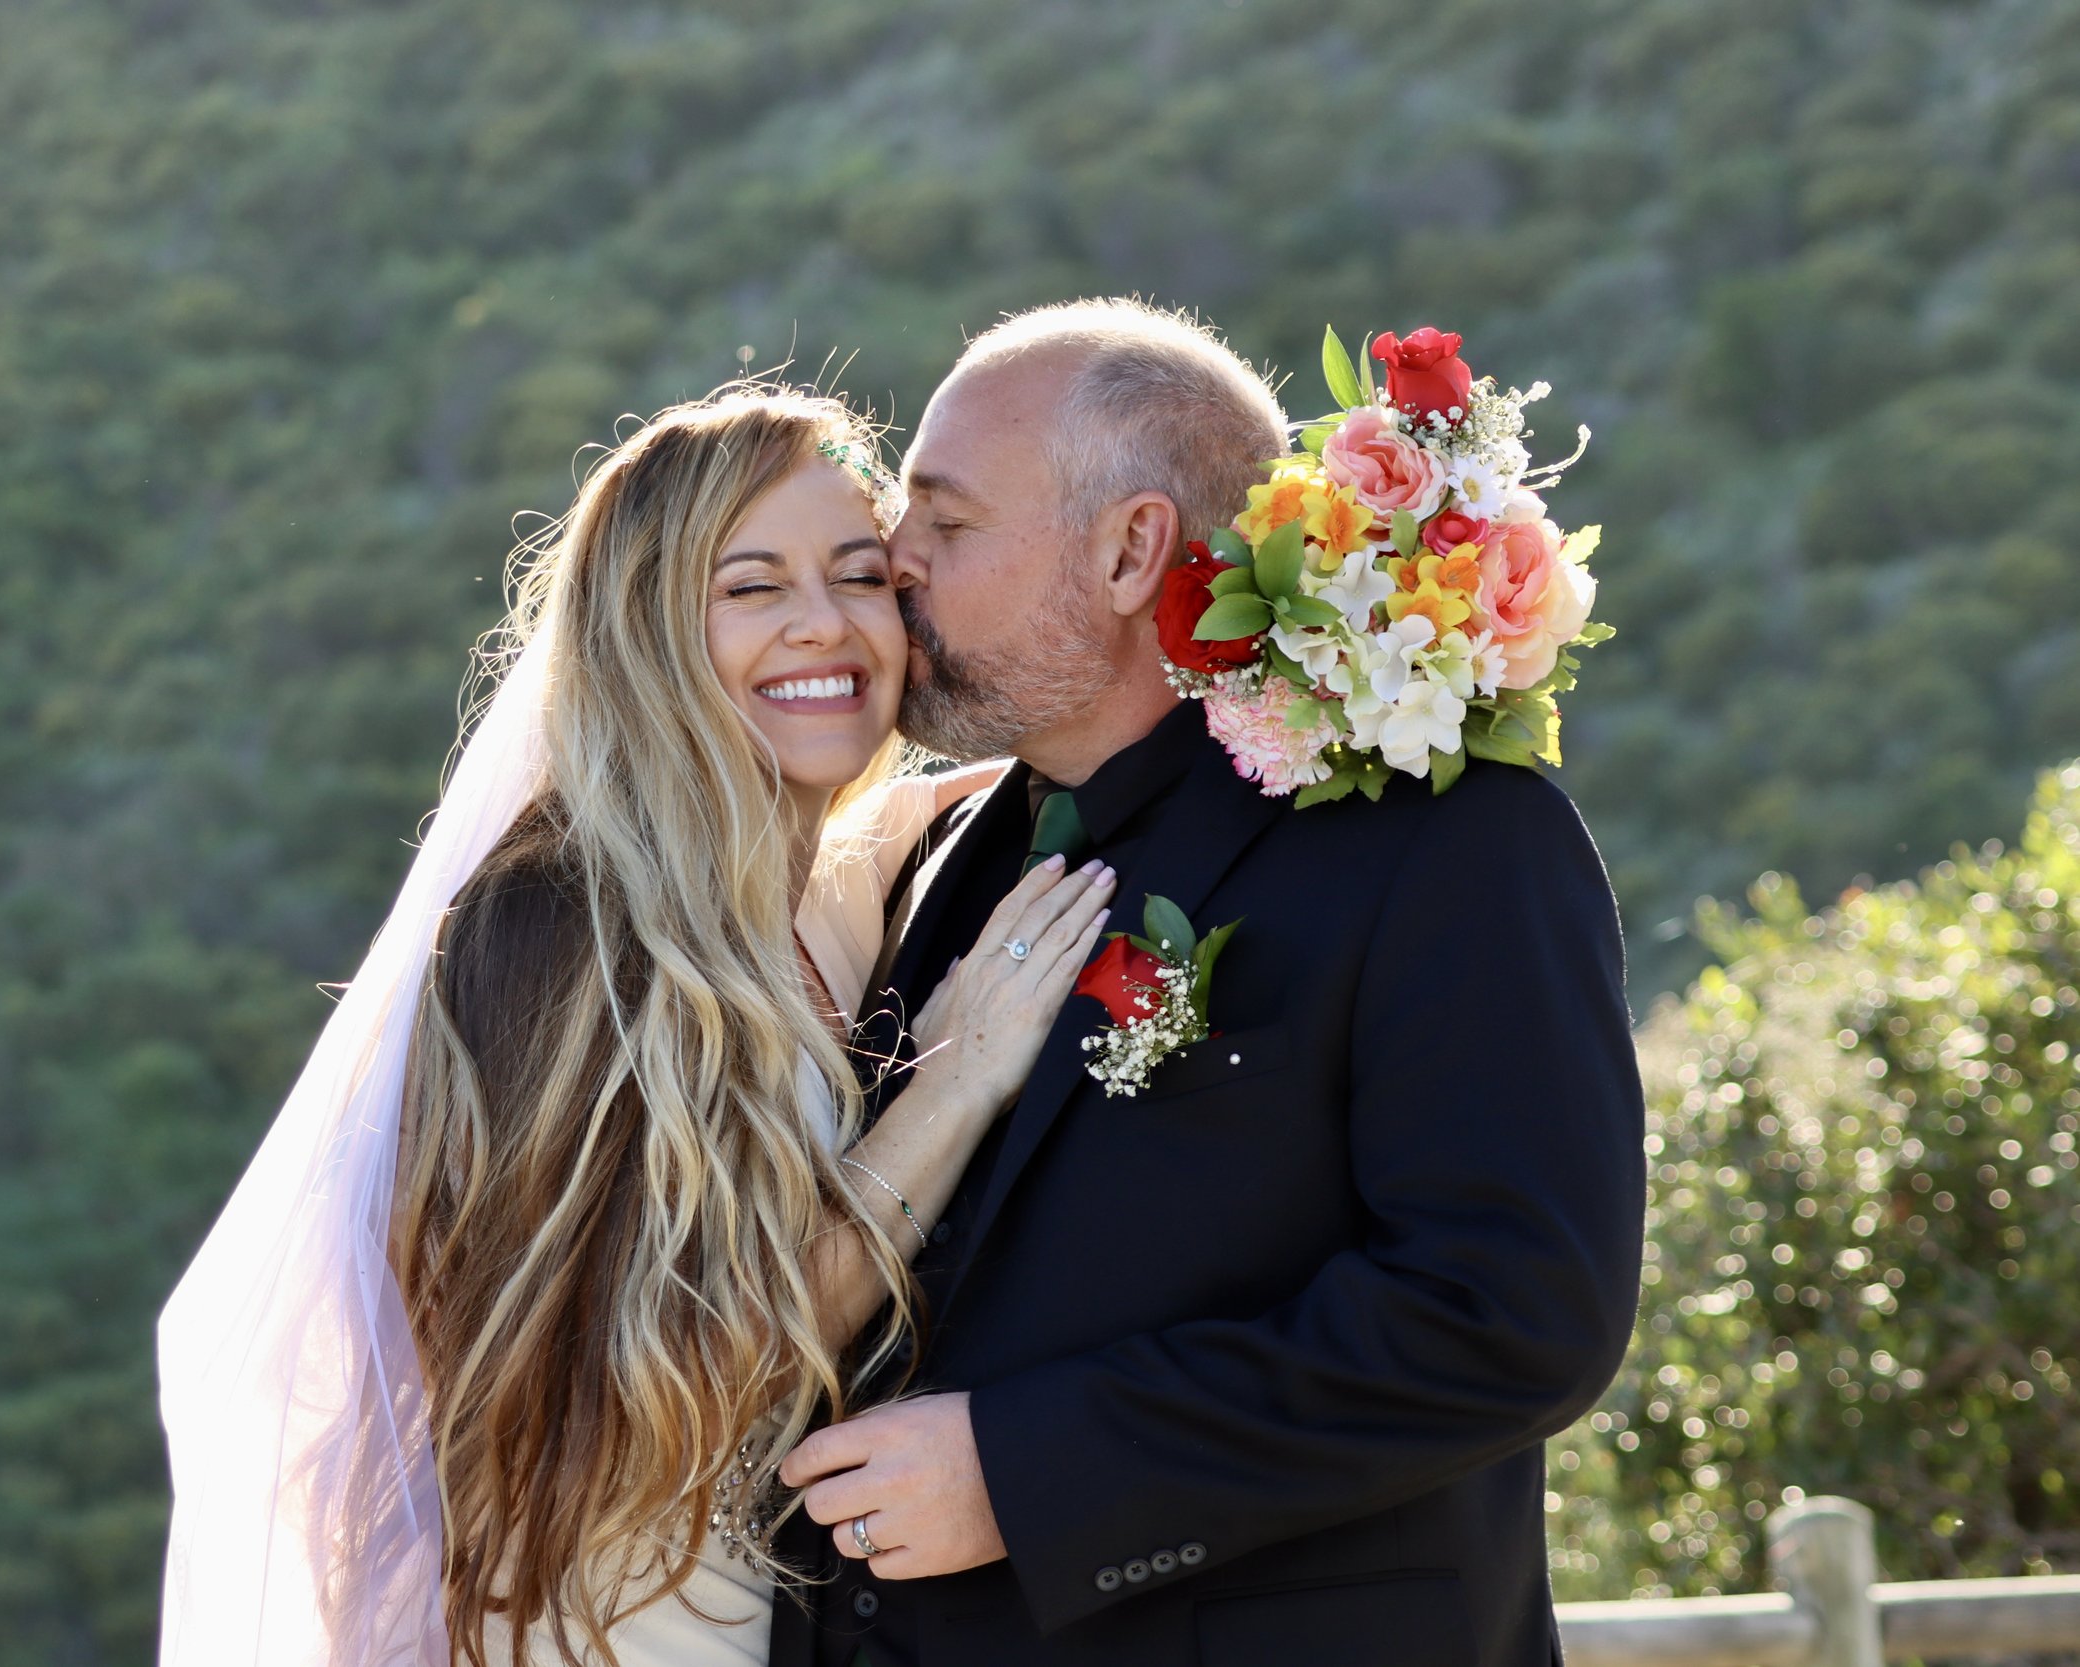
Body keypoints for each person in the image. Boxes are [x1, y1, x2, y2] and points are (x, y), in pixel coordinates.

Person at [157, 386, 1116, 1667]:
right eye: (751, 587)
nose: (823, 625)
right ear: (649, 629)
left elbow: (1057, 739)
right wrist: (955, 1081)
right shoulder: (559, 924)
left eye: (856, 574)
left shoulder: (827, 880)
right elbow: (684, 1373)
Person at [769, 299, 1649, 1667]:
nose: (894, 563)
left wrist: (1032, 1470)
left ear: (1130, 550)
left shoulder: (1442, 839)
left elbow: (1510, 1309)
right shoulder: (940, 848)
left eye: (944, 521)